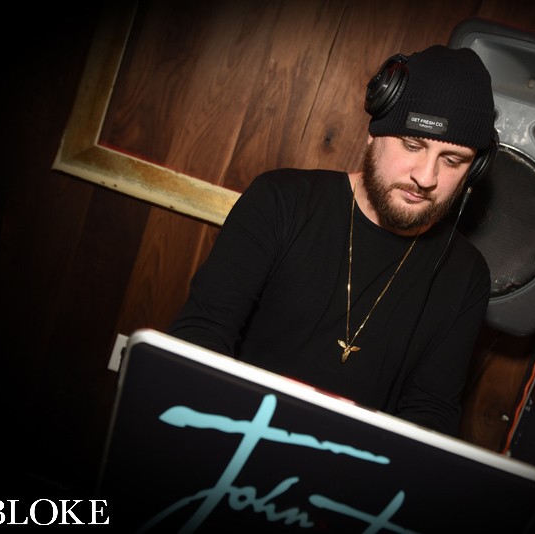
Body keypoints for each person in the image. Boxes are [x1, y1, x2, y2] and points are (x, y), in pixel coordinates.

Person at [168, 45, 496, 436]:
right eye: (412, 145)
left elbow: (431, 411)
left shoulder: (467, 275)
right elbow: (202, 331)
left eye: (452, 161)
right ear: (374, 133)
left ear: (474, 169)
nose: (426, 177)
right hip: (230, 433)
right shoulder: (281, 201)